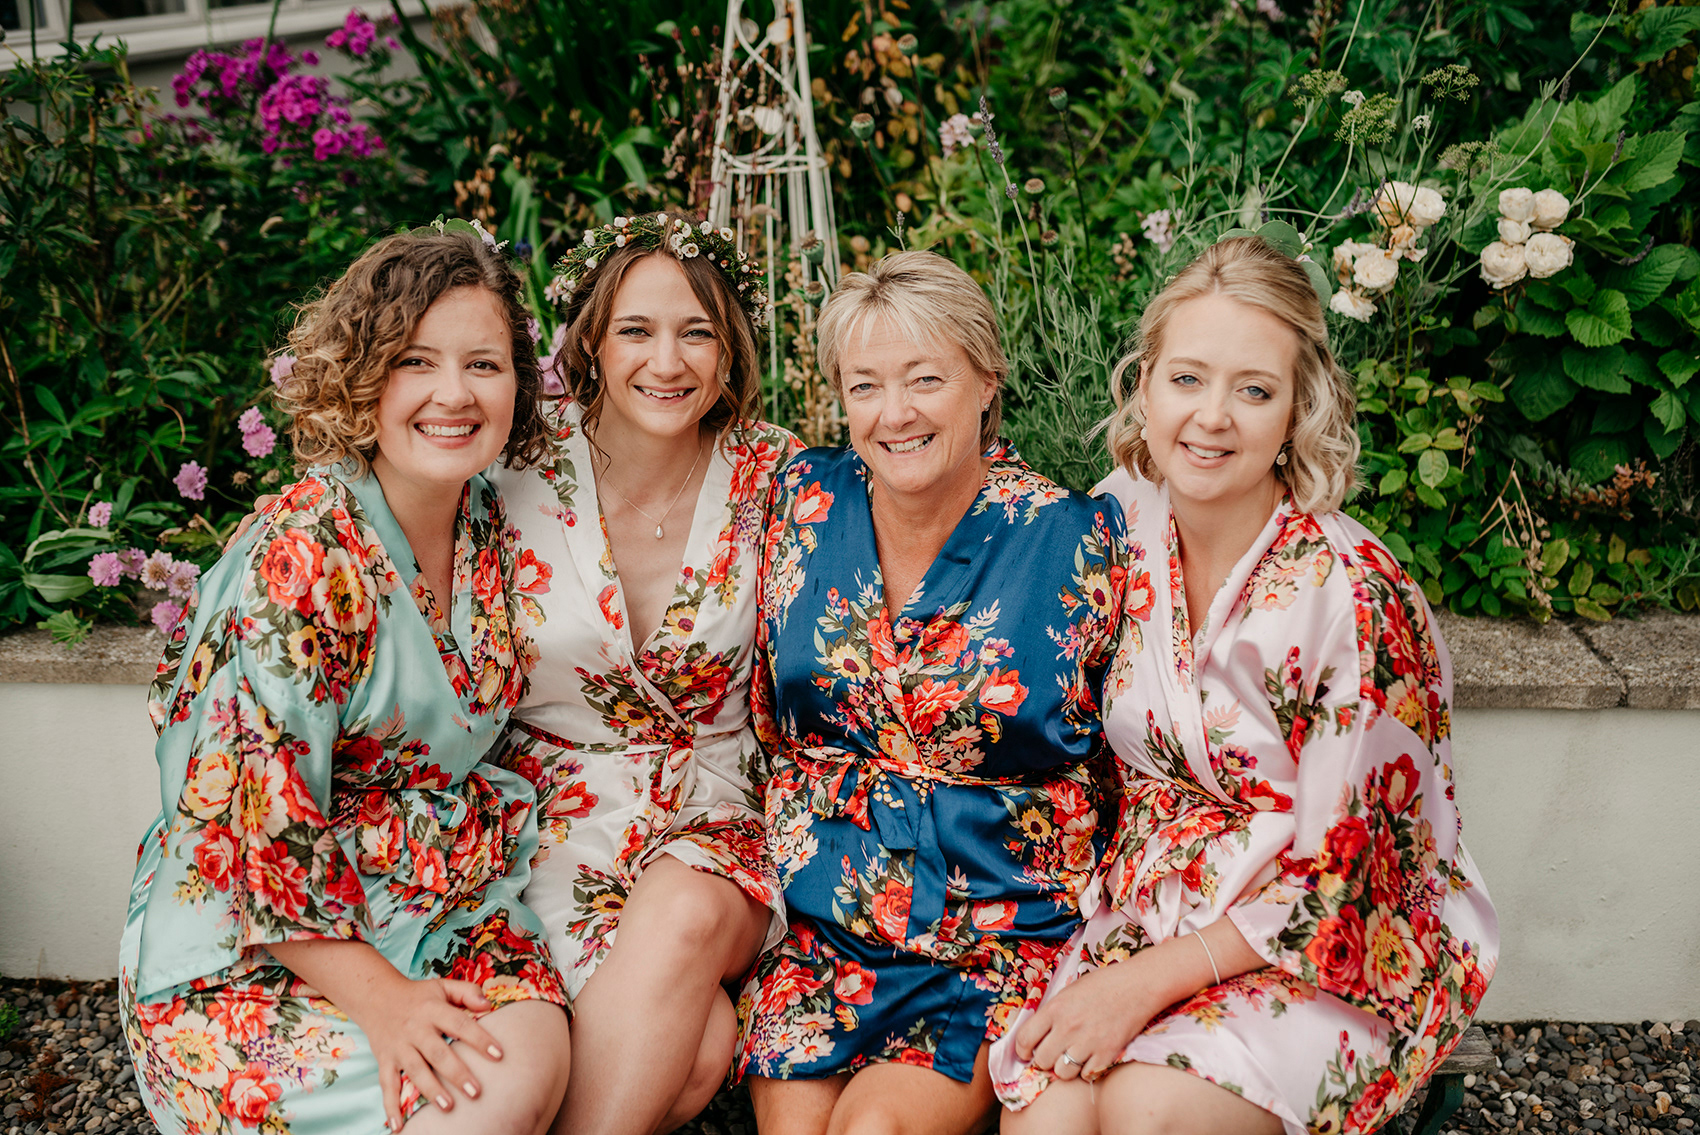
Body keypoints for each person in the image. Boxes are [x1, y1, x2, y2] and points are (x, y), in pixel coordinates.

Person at [988, 235, 1498, 1135]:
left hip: (1331, 933)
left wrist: (1145, 983)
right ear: (1144, 387)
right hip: (1148, 905)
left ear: (1300, 409)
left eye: (1254, 390)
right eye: (1186, 378)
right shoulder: (1121, 517)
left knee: (1148, 1109)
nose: (1211, 417)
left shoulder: (1352, 596)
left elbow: (1354, 871)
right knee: (1048, 1114)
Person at [119, 224, 573, 1135]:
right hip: (265, 939)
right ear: (363, 377)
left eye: (483, 364)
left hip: (442, 898)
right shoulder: (302, 557)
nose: (454, 393)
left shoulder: (490, 518)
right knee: (484, 1102)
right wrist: (386, 1002)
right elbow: (245, 824)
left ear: (519, 384)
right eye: (415, 362)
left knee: (533, 1064)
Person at [737, 250, 1130, 1135]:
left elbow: (1119, 755)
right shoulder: (800, 501)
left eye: (925, 379)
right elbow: (768, 711)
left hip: (990, 931)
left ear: (986, 380)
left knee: (872, 1129)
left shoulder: (1072, 539)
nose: (895, 412)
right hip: (822, 926)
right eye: (866, 385)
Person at [487, 212, 799, 1135]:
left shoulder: (779, 473)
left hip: (718, 804)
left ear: (729, 346)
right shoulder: (512, 469)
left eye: (696, 332)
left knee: (687, 913)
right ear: (590, 340)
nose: (668, 362)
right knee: (698, 1051)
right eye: (636, 330)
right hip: (554, 816)